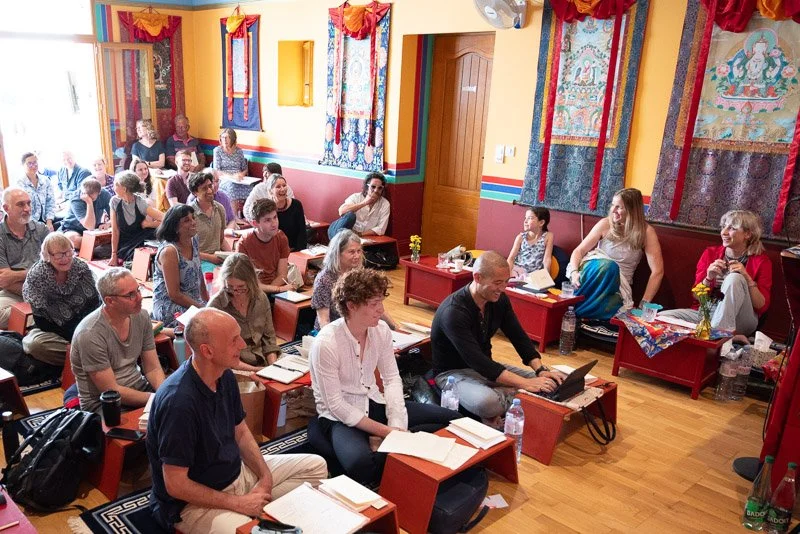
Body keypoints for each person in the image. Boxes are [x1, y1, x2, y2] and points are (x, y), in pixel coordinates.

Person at [146, 308, 328, 532]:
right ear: (207, 351)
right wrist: (238, 504)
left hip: (236, 474)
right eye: (234, 340)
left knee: (316, 467)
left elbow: (240, 432)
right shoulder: (179, 403)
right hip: (193, 504)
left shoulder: (225, 376)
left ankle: (256, 512)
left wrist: (265, 476)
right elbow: (175, 485)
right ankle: (253, 516)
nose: (243, 345)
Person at [309, 269, 459, 485]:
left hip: (373, 402)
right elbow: (336, 405)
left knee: (454, 420)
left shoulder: (381, 331)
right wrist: (386, 431)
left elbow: (391, 379)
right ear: (351, 306)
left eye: (381, 302)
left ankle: (393, 444)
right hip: (338, 417)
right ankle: (404, 445)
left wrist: (396, 425)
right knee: (359, 464)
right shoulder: (326, 343)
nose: (381, 310)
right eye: (373, 304)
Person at [431, 251, 565, 423]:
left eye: (506, 282)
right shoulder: (454, 312)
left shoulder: (499, 300)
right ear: (478, 277)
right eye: (498, 283)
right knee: (487, 403)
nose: (503, 289)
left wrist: (541, 370)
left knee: (553, 382)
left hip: (488, 369)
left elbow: (518, 336)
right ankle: (514, 396)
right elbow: (477, 360)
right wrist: (525, 384)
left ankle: (510, 394)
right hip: (453, 373)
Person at [660, 210, 772, 335]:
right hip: (708, 312)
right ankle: (728, 336)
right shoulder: (710, 253)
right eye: (723, 227)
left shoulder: (762, 261)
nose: (724, 232)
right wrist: (708, 278)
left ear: (747, 234)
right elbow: (696, 297)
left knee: (734, 278)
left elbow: (761, 306)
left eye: (731, 228)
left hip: (741, 318)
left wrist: (747, 278)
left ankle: (719, 336)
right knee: (661, 317)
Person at [70, 267, 165, 414]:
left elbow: (152, 368)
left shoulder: (141, 316)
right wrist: (155, 399)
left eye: (138, 290)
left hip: (139, 390)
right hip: (105, 403)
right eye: (130, 295)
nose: (139, 298)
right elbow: (110, 390)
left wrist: (163, 394)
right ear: (110, 301)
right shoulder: (90, 333)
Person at [567, 188, 663, 320]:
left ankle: (573, 312)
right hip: (594, 272)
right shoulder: (605, 223)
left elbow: (657, 271)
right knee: (609, 267)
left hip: (619, 285)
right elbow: (579, 251)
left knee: (612, 307)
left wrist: (643, 304)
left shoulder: (646, 232)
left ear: (632, 210)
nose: (613, 210)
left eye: (619, 207)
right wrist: (573, 272)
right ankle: (572, 312)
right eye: (613, 205)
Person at [21, 233, 100, 374]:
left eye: (69, 252)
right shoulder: (37, 276)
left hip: (87, 325)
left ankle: (86, 356)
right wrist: (76, 339)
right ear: (47, 255)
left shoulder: (80, 267)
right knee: (34, 345)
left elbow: (94, 303)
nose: (65, 259)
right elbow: (42, 322)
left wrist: (86, 333)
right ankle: (88, 357)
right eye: (59, 255)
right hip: (54, 330)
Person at [207, 253, 281, 370]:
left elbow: (269, 340)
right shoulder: (216, 306)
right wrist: (258, 371)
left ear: (251, 281)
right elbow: (220, 356)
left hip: (261, 360)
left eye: (241, 287)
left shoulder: (260, 298)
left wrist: (273, 367)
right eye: (230, 287)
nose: (235, 292)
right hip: (233, 368)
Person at [312, 229, 396, 331]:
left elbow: (375, 305)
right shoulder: (324, 280)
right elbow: (324, 320)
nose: (357, 256)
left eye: (359, 251)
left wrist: (395, 328)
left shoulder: (360, 275)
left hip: (357, 327)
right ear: (337, 253)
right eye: (351, 252)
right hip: (334, 331)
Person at [0, 187, 49, 329]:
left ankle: (32, 321)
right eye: (21, 204)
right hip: (13, 292)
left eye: (29, 203)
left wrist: (17, 274)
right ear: (6, 208)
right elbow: (4, 280)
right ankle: (45, 317)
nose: (27, 208)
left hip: (46, 288)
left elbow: (54, 268)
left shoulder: (41, 230)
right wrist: (39, 274)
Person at [151, 204, 207, 328]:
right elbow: (174, 294)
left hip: (192, 300)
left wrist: (207, 301)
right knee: (204, 324)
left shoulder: (194, 240)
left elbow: (199, 273)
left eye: (193, 218)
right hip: (170, 305)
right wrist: (202, 308)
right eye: (187, 220)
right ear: (175, 227)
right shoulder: (169, 251)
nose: (193, 222)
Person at [235, 198, 294, 294]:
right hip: (253, 292)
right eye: (267, 220)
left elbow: (282, 275)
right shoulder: (244, 244)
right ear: (255, 223)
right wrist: (277, 290)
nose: (274, 223)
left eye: (275, 217)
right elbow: (251, 283)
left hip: (275, 287)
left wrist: (272, 290)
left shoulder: (281, 237)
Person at [109, 171, 163, 265]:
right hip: (125, 242)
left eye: (115, 185)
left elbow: (167, 218)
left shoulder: (139, 202)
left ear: (124, 189)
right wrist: (113, 254)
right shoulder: (114, 201)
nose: (113, 187)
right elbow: (115, 230)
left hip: (141, 239)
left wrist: (149, 224)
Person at [251, 174, 306, 252]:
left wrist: (299, 252)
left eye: (284, 185)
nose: (282, 189)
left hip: (294, 250)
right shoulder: (266, 208)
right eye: (278, 187)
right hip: (272, 251)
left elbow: (302, 232)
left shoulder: (296, 205)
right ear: (270, 191)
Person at [187, 171, 229, 272]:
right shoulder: (189, 214)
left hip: (218, 257)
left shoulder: (219, 208)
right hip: (198, 259)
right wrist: (211, 258)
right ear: (195, 192)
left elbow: (221, 240)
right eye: (204, 188)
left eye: (210, 186)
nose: (210, 190)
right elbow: (187, 250)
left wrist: (232, 255)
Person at [328, 172, 391, 239]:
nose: (376, 190)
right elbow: (341, 211)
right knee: (350, 216)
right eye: (373, 187)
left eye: (380, 188)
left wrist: (359, 234)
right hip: (341, 232)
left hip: (362, 237)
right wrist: (364, 203)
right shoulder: (356, 197)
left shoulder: (385, 204)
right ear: (366, 187)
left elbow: (381, 229)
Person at [61, 178, 112, 250]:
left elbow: (115, 216)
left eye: (92, 197)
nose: (87, 197)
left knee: (116, 234)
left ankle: (92, 248)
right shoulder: (76, 198)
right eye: (85, 194)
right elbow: (89, 226)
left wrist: (108, 223)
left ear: (99, 192)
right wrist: (89, 203)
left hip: (96, 228)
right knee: (72, 240)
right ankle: (96, 248)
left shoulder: (105, 194)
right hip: (73, 228)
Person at [506, 207, 554, 278]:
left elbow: (547, 259)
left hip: (534, 275)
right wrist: (508, 274)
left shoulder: (548, 236)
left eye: (530, 218)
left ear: (541, 222)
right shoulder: (520, 237)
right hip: (517, 271)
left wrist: (546, 277)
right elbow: (511, 258)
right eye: (525, 218)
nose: (525, 221)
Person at [213, 128, 250, 215]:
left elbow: (245, 169)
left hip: (239, 178)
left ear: (233, 139)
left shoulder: (239, 151)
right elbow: (217, 170)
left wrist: (241, 174)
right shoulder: (217, 151)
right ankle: (234, 217)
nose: (224, 140)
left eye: (227, 137)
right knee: (232, 186)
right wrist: (232, 176)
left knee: (252, 188)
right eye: (222, 137)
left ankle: (248, 215)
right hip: (224, 179)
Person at [17, 152, 56, 231]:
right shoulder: (19, 184)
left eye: (35, 162)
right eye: (29, 163)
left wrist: (49, 222)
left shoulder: (45, 180)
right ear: (23, 165)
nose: (33, 166)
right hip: (28, 223)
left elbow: (50, 202)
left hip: (46, 221)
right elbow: (20, 209)